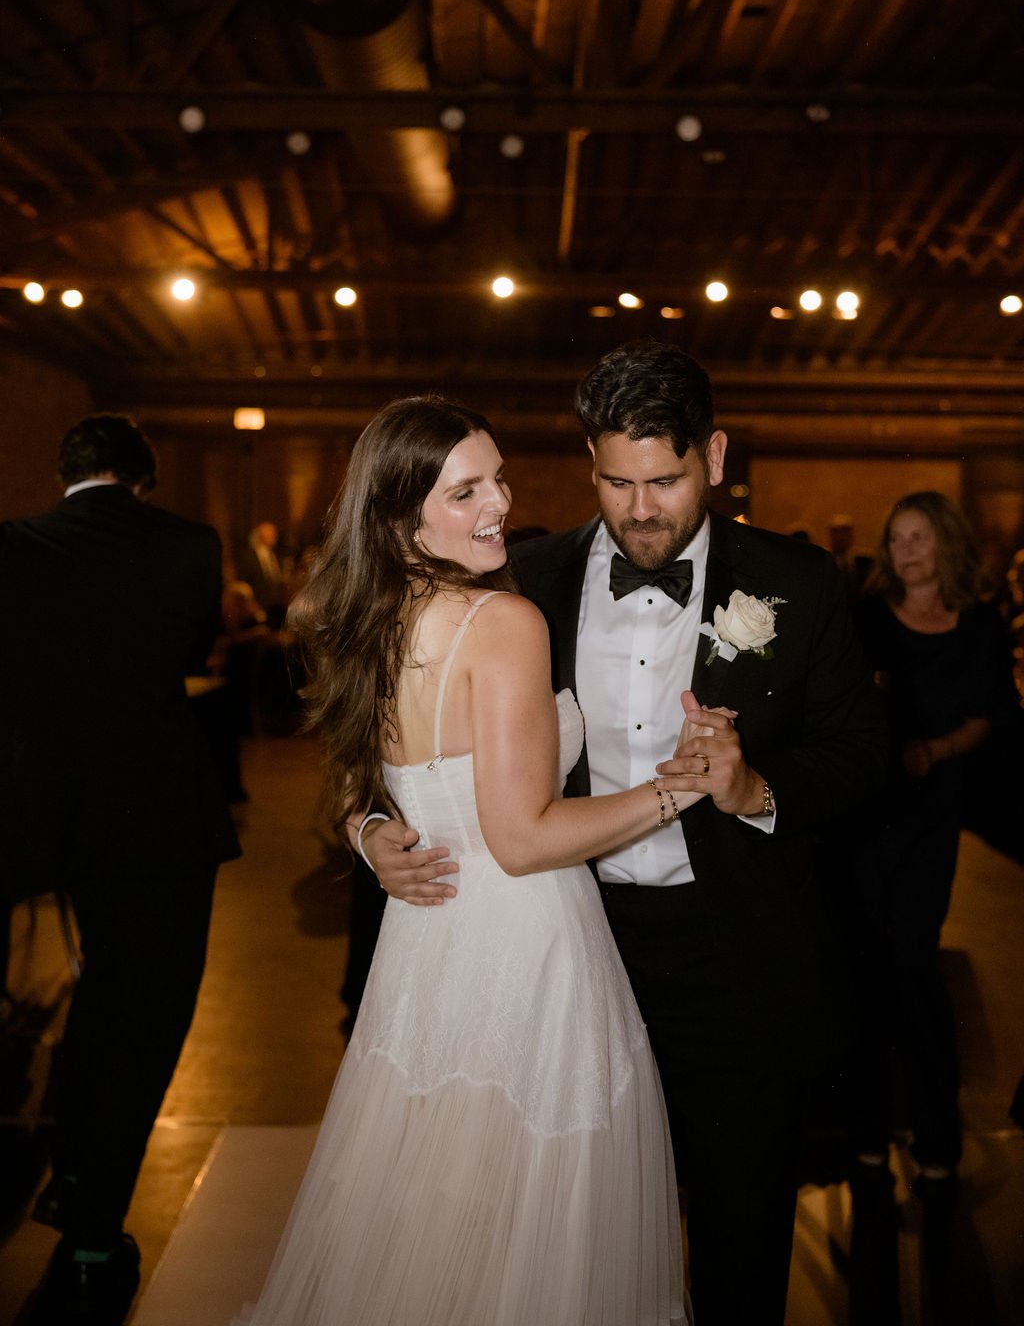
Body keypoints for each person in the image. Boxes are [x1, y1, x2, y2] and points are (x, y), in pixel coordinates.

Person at [368, 342, 886, 1326]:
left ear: (716, 457)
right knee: (566, 1231)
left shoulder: (797, 580)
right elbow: (408, 731)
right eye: (615, 481)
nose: (639, 508)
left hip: (736, 956)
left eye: (664, 480)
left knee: (739, 1225)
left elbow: (860, 753)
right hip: (565, 947)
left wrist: (750, 786)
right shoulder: (517, 578)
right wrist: (370, 826)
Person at [236, 396, 702, 1326]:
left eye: (498, 477)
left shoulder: (366, 614)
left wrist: (372, 835)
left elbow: (353, 785)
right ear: (404, 516)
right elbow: (522, 839)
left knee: (437, 1200)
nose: (499, 502)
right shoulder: (500, 622)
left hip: (425, 948)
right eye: (467, 490)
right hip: (528, 950)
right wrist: (677, 788)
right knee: (533, 1217)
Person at [0, 413, 241, 1326]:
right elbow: (187, 657)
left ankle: (69, 1178)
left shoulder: (14, 546)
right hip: (153, 816)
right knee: (141, 1015)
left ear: (67, 475)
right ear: (143, 479)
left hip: (35, 816)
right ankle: (94, 1229)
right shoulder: (187, 545)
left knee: (84, 1006)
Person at [849, 491, 1015, 1192]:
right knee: (864, 970)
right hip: (867, 818)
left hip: (933, 814)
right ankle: (865, 1133)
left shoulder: (978, 626)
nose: (905, 551)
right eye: (896, 540)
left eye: (918, 538)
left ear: (943, 543)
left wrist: (934, 750)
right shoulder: (865, 622)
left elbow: (991, 714)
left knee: (912, 963)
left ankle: (936, 1137)